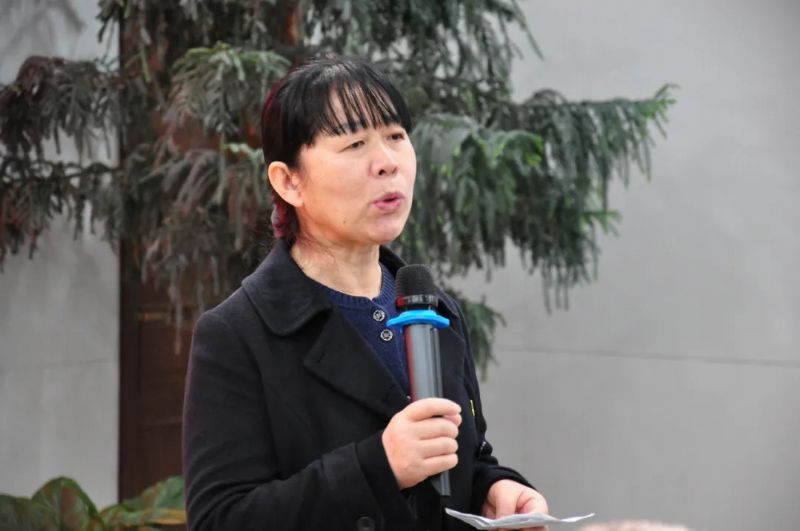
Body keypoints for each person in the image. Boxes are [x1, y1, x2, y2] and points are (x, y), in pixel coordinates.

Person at [182, 54, 549, 531]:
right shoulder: (237, 334)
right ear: (289, 182)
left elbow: (465, 460)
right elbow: (220, 519)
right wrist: (379, 467)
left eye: (395, 136)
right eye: (354, 144)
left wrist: (495, 489)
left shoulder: (435, 312)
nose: (388, 163)